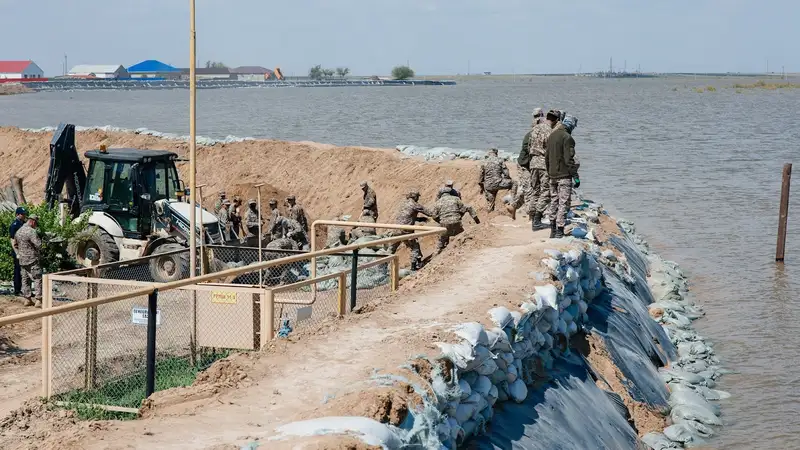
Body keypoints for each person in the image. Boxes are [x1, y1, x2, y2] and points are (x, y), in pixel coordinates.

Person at [511, 109, 553, 229]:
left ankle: (516, 207)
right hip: (527, 165)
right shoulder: (536, 132)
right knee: (532, 190)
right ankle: (532, 217)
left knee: (531, 189)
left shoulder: (533, 132)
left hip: (531, 165)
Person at [545, 113, 579, 238]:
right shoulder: (567, 138)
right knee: (563, 202)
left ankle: (552, 229)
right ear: (571, 126)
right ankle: (560, 230)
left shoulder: (552, 135)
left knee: (554, 201)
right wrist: (575, 176)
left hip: (552, 175)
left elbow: (547, 157)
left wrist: (549, 172)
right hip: (564, 175)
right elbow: (568, 159)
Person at [388, 190, 434, 271]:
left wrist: (419, 219)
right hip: (406, 230)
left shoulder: (403, 204)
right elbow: (430, 213)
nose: (418, 198)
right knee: (415, 247)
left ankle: (382, 265)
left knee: (392, 248)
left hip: (396, 229)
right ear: (415, 196)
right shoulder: (414, 204)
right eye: (418, 197)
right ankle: (413, 267)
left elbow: (406, 216)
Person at [14, 214, 42, 307]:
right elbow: (38, 245)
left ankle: (27, 299)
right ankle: (38, 300)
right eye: (36, 223)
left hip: (22, 260)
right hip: (32, 259)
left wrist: (20, 253)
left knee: (25, 280)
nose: (36, 225)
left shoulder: (18, 231)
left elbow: (15, 245)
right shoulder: (31, 231)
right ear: (33, 221)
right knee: (37, 278)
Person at [9, 207, 27, 296]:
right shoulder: (14, 225)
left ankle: (25, 290)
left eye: (24, 214)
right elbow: (12, 240)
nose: (24, 216)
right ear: (17, 215)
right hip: (18, 251)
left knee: (25, 271)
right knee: (18, 270)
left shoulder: (24, 224)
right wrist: (16, 252)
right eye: (22, 214)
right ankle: (17, 290)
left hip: (25, 250)